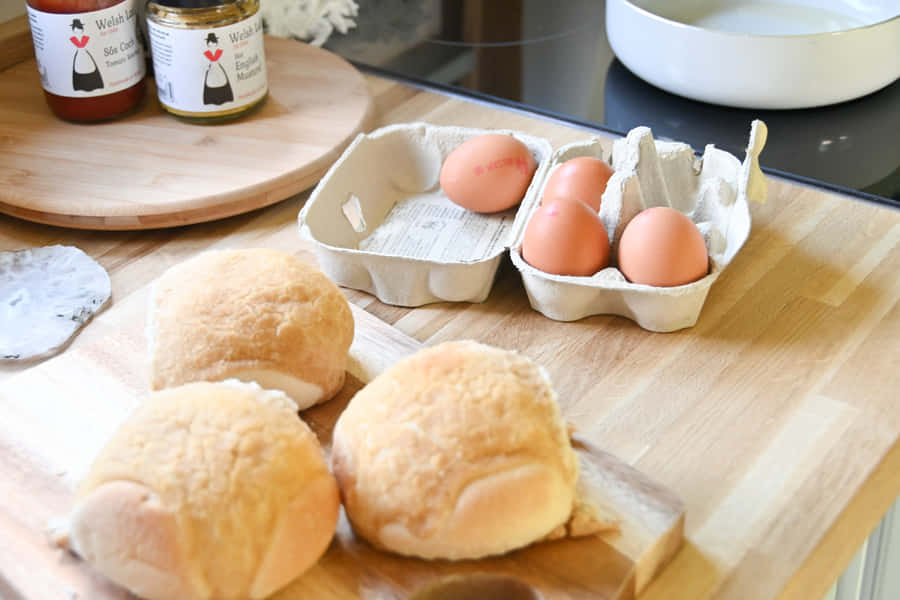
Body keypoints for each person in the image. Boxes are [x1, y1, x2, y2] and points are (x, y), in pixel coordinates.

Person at [70, 18, 103, 92]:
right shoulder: (74, 39)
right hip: (79, 55)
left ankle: (95, 85)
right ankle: (81, 86)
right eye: (75, 29)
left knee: (90, 67)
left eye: (79, 29)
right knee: (79, 68)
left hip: (85, 54)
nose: (77, 30)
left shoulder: (85, 38)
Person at [202, 32, 234, 105]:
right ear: (208, 44)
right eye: (210, 43)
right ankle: (211, 100)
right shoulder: (207, 53)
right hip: (211, 70)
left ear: (216, 43)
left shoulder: (219, 52)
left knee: (222, 81)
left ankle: (224, 98)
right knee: (211, 82)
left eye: (213, 42)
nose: (211, 44)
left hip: (218, 69)